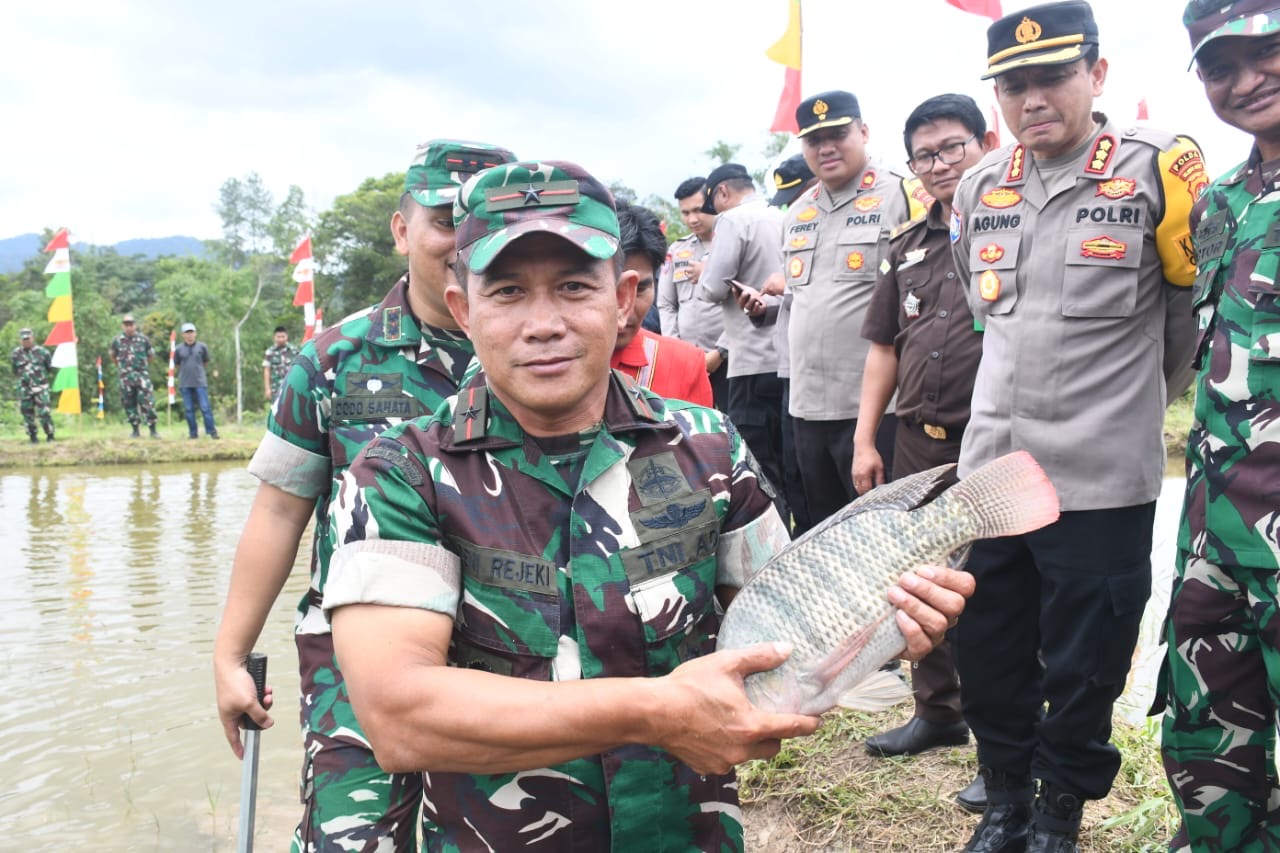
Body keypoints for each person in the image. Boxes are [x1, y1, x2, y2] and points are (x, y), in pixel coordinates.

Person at [321, 157, 976, 853]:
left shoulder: (711, 449)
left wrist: (884, 618)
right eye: (508, 292)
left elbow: (790, 627)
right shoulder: (399, 474)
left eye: (574, 287)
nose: (543, 323)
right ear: (463, 308)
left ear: (626, 298)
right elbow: (399, 716)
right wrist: (658, 709)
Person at [212, 139, 516, 853]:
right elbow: (280, 510)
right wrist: (229, 654)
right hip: (356, 656)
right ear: (402, 229)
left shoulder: (539, 351)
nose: (464, 242)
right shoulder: (332, 361)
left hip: (506, 655)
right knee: (350, 840)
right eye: (445, 221)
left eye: (483, 225)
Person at [948, 3, 1205, 850]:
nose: (1031, 101)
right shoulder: (981, 186)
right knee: (989, 647)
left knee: (1087, 660)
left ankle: (1061, 808)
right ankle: (1007, 799)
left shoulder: (1157, 171)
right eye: (1012, 87)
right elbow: (989, 319)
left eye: (1051, 77)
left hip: (1102, 471)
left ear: (1096, 74)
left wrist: (1123, 408)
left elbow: (1182, 323)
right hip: (992, 473)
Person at [853, 93, 996, 813]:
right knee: (915, 582)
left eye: (952, 148)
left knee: (999, 590)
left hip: (993, 443)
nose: (939, 165)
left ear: (985, 142)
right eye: (925, 155)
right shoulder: (906, 244)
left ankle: (1003, 743)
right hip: (916, 441)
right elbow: (884, 347)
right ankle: (938, 712)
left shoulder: (1011, 225)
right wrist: (863, 438)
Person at [1159, 3, 1280, 849]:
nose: (1245, 82)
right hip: (1215, 537)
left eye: (1268, 52)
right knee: (1207, 745)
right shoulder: (1223, 203)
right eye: (1220, 67)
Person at [780, 90, 931, 526]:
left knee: (880, 529)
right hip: (806, 408)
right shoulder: (796, 214)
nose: (825, 148)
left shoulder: (901, 195)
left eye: (837, 134)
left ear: (863, 132)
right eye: (813, 139)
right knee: (823, 527)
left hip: (876, 409)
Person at [698, 162, 789, 520]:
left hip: (749, 358)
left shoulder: (733, 220)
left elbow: (713, 288)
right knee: (787, 461)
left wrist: (705, 273)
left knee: (759, 466)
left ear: (722, 193)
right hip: (784, 357)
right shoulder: (782, 214)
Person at [611, 201, 714, 406]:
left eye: (639, 289)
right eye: (612, 290)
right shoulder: (542, 362)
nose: (625, 310)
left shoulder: (685, 364)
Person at [657, 177, 728, 408]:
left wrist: (720, 352)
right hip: (685, 362)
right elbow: (666, 304)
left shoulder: (731, 244)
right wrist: (675, 350)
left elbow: (743, 305)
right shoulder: (677, 250)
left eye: (698, 210)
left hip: (727, 359)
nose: (692, 219)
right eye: (685, 213)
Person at [109, 314, 159, 439]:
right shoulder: (117, 340)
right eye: (126, 325)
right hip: (126, 377)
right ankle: (135, 430)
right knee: (129, 403)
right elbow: (112, 355)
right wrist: (122, 367)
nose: (129, 327)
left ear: (135, 325)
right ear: (122, 326)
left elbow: (151, 355)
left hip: (142, 376)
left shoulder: (143, 339)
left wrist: (142, 366)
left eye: (131, 324)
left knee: (147, 402)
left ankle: (153, 430)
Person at [175, 322, 219, 440]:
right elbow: (177, 364)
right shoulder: (178, 349)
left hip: (200, 382)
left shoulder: (202, 347)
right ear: (183, 335)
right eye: (187, 333)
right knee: (189, 409)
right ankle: (193, 433)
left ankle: (212, 432)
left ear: (195, 333)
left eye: (191, 332)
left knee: (205, 408)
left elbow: (205, 361)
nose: (189, 335)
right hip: (185, 383)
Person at [10, 328, 54, 444]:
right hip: (25, 389)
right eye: (24, 339)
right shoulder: (16, 354)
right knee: (27, 413)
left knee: (44, 412)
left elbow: (49, 368)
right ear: (20, 340)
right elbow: (15, 370)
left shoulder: (43, 352)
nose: (26, 341)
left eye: (28, 339)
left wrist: (39, 379)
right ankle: (33, 437)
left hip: (41, 387)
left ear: (32, 338)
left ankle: (50, 435)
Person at [263, 325, 299, 402]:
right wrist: (267, 389)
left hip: (292, 386)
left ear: (287, 337)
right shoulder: (270, 352)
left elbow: (299, 368)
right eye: (278, 337)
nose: (281, 339)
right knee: (276, 411)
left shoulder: (294, 351)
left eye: (283, 336)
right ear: (274, 337)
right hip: (276, 388)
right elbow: (267, 370)